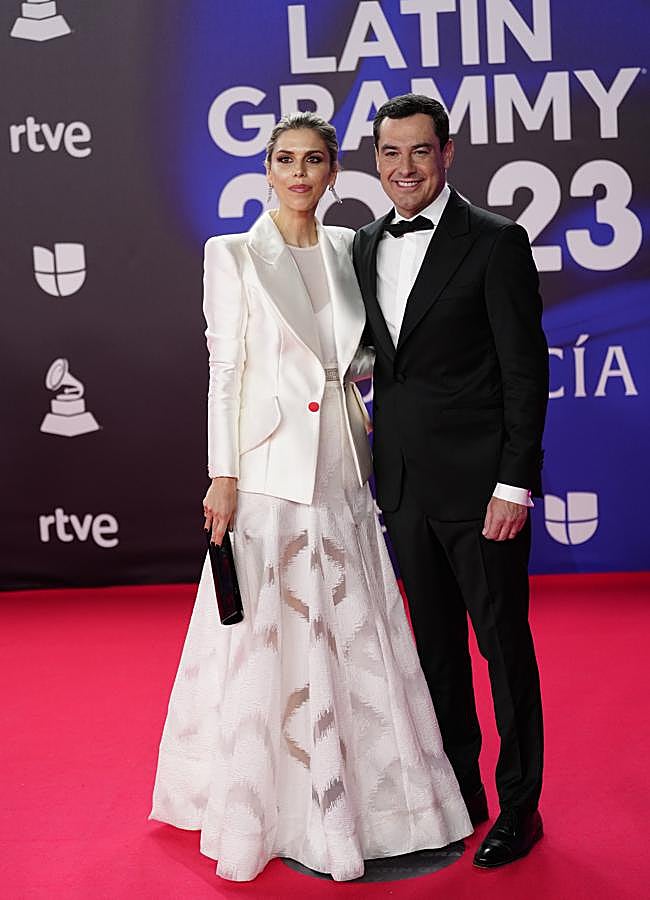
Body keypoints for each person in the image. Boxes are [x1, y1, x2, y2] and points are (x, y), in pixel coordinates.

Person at [149, 111, 472, 882]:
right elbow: (224, 371)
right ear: (267, 169)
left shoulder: (345, 248)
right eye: (285, 159)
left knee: (354, 619)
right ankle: (268, 802)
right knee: (269, 631)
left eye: (314, 161)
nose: (298, 173)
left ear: (333, 174)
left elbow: (360, 355)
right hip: (265, 469)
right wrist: (221, 473)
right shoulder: (230, 253)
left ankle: (365, 794)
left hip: (342, 463)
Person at [353, 94, 549, 870]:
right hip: (401, 487)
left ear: (449, 153)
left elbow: (524, 374)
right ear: (376, 159)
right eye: (391, 153)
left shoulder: (497, 243)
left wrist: (515, 484)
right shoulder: (363, 243)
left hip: (481, 492)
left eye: (420, 152)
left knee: (504, 650)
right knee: (434, 653)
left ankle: (520, 808)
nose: (405, 168)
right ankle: (459, 792)